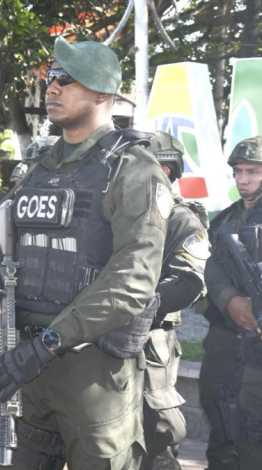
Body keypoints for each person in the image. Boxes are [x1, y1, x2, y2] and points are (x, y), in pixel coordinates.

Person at [0, 37, 170, 469]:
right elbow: (4, 239)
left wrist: (49, 343)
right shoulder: (38, 168)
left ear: (102, 93)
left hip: (92, 371)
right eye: (51, 78)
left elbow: (133, 280)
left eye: (66, 80)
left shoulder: (133, 169)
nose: (51, 88)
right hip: (24, 362)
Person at [144, 131, 209, 470]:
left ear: (164, 171)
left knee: (156, 434)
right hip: (102, 337)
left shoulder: (180, 218)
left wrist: (136, 304)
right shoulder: (117, 212)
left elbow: (188, 280)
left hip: (151, 338)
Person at [203, 136, 262, 469]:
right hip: (227, 335)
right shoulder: (224, 220)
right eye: (238, 171)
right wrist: (229, 299)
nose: (243, 179)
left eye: (253, 171)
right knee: (222, 421)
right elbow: (209, 266)